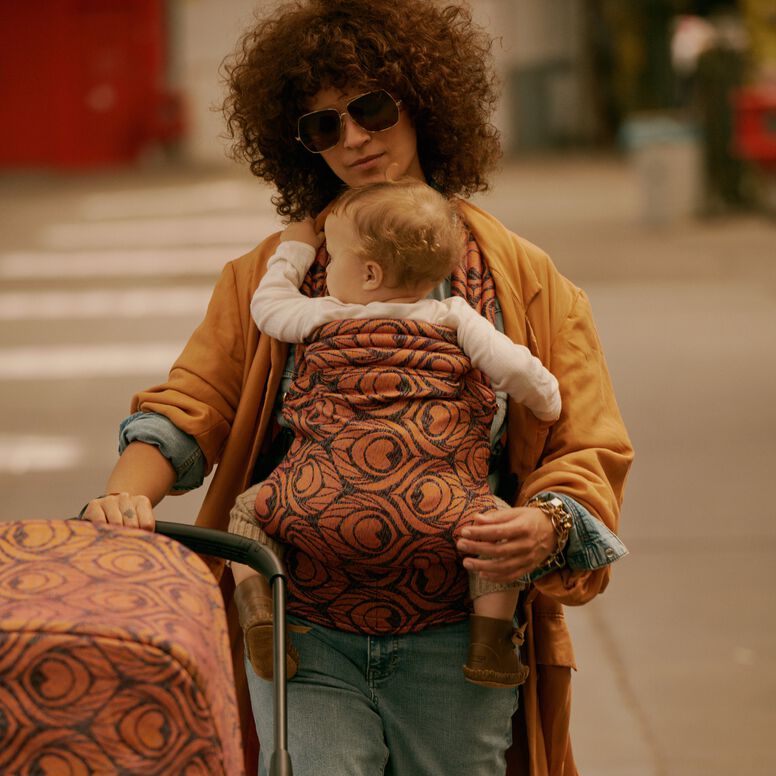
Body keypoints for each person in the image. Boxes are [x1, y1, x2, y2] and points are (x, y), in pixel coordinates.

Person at [79, 1, 633, 774]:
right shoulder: (271, 276)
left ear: (424, 101)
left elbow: (588, 445)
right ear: (299, 145)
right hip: (302, 638)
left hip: (460, 648)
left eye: (371, 108)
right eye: (323, 126)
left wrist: (546, 525)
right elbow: (191, 406)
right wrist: (123, 499)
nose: (355, 139)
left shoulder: (530, 283)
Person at [229, 177, 562, 690]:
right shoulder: (456, 318)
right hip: (439, 508)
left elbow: (268, 306)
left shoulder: (324, 314)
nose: (326, 266)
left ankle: (259, 610)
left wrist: (294, 248)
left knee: (249, 511)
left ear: (368, 272)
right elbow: (519, 372)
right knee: (495, 530)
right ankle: (490, 637)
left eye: (333, 256)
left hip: (318, 499)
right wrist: (548, 401)